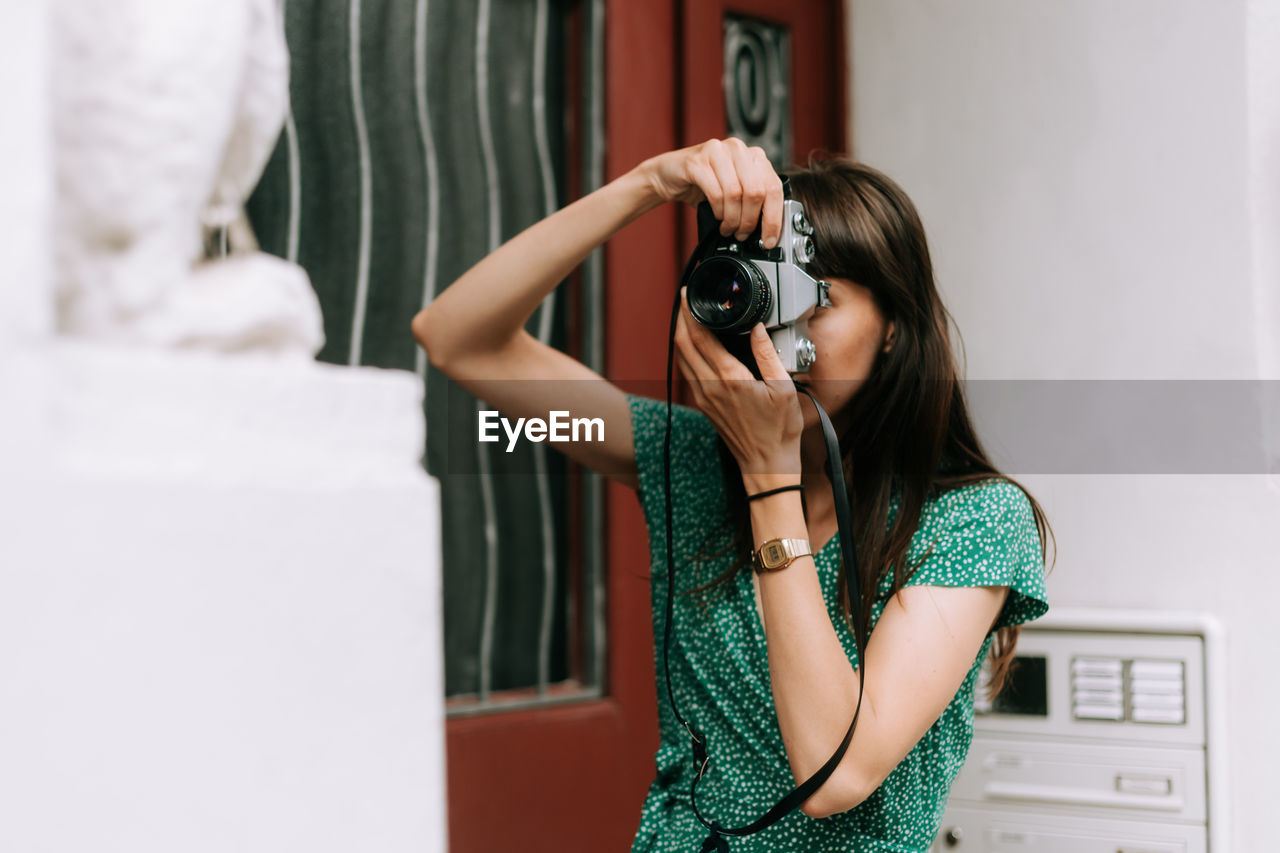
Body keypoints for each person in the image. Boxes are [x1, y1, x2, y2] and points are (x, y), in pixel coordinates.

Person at [413, 137, 1052, 852]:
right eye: (760, 295)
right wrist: (648, 184)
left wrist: (769, 473)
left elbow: (835, 774)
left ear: (895, 329)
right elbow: (456, 338)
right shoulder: (689, 461)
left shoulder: (971, 520)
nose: (775, 334)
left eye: (817, 299)